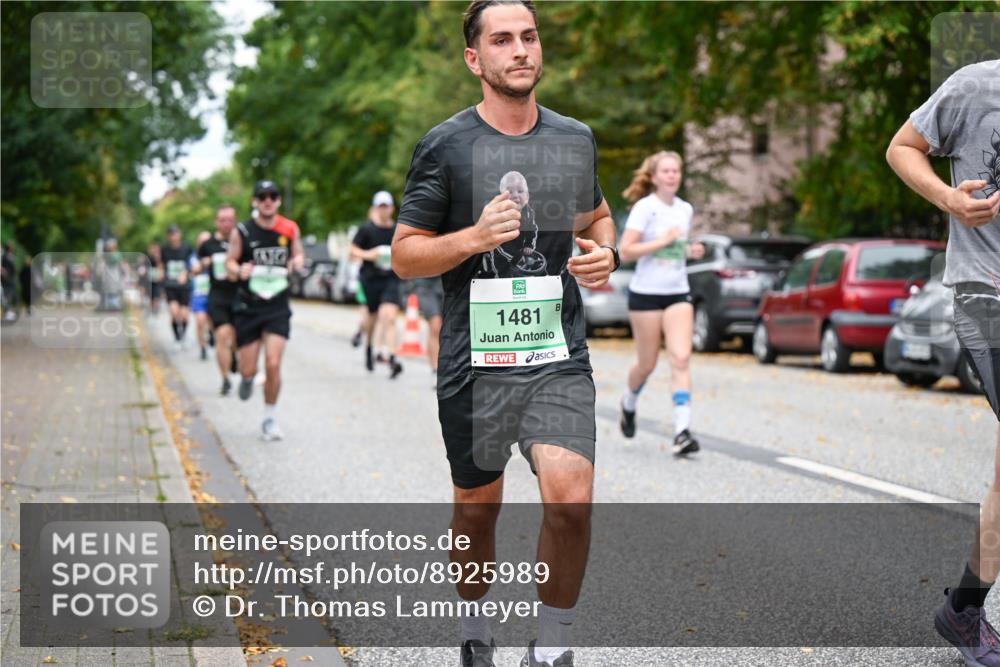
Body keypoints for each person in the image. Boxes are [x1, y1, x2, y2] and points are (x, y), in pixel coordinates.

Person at [391, 2, 618, 665]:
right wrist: (473, 237)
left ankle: (552, 647)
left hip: (556, 356)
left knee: (571, 500)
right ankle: (475, 629)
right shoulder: (446, 145)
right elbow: (405, 255)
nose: (520, 50)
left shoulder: (574, 139)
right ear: (475, 59)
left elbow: (598, 216)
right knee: (476, 511)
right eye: (502, 40)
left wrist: (606, 253)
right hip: (477, 363)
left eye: (529, 36)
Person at [887, 59, 1000, 667]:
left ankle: (963, 609)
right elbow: (902, 147)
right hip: (987, 291)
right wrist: (949, 199)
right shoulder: (975, 86)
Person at [617, 151, 705, 456]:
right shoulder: (645, 208)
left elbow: (675, 251)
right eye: (666, 171)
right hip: (646, 294)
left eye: (676, 171)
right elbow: (625, 251)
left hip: (678, 291)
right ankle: (629, 402)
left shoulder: (685, 209)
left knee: (680, 359)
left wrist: (690, 251)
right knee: (647, 364)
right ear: (654, 177)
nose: (672, 176)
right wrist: (662, 242)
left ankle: (682, 431)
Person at [226, 180, 304, 441]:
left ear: (278, 200)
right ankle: (247, 378)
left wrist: (296, 263)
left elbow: (298, 255)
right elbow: (229, 262)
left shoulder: (289, 228)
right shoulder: (243, 231)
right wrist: (239, 269)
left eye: (272, 196)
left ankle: (269, 418)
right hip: (249, 306)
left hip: (277, 306)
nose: (268, 200)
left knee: (272, 363)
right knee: (248, 368)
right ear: (255, 202)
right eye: (262, 196)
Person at [350, 191, 404, 378]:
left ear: (392, 208)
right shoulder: (366, 230)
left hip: (391, 278)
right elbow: (352, 251)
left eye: (386, 206)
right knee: (371, 319)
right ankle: (369, 347)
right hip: (370, 279)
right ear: (375, 208)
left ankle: (392, 358)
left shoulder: (397, 230)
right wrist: (369, 255)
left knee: (389, 317)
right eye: (380, 206)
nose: (383, 210)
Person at [198, 205, 240, 394]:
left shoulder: (242, 240)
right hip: (217, 296)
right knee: (222, 335)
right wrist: (202, 265)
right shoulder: (207, 245)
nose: (226, 224)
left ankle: (234, 354)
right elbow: (197, 265)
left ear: (235, 221)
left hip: (239, 296)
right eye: (223, 220)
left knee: (237, 337)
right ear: (216, 222)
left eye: (230, 220)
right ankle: (225, 379)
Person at [408, 275, 445, 382]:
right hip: (425, 283)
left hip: (444, 282)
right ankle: (435, 369)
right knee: (435, 325)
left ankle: (442, 365)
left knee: (441, 327)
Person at [161, 226, 192, 349]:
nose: (173, 236)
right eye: (171, 234)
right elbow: (162, 265)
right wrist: (161, 275)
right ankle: (177, 338)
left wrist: (186, 273)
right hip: (170, 286)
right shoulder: (165, 250)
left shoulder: (187, 248)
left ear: (179, 234)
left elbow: (192, 264)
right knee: (174, 313)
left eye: (175, 233)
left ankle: (183, 336)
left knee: (184, 315)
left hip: (184, 286)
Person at [190, 232, 212, 361]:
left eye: (207, 241)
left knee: (213, 323)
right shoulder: (194, 257)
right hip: (199, 295)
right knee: (200, 322)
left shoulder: (216, 254)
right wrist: (204, 263)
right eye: (202, 241)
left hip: (214, 295)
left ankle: (211, 335)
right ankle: (203, 347)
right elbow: (193, 270)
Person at [145, 241, 164, 315]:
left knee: (157, 295)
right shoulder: (149, 257)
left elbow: (161, 266)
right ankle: (151, 309)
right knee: (151, 295)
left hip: (157, 278)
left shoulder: (160, 257)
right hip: (150, 279)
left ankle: (156, 309)